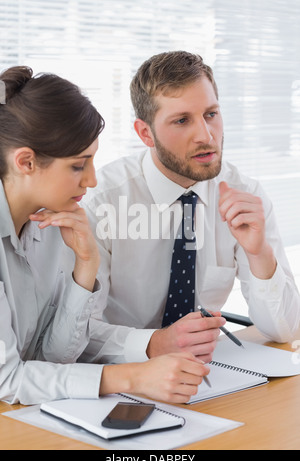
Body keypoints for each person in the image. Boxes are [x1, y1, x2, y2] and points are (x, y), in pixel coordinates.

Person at [0, 65, 209, 406]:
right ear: (26, 162)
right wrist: (134, 376)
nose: (92, 180)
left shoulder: (54, 223)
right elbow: (7, 379)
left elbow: (53, 358)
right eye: (78, 165)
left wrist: (86, 266)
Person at [80, 51, 300, 366]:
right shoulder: (103, 202)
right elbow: (74, 336)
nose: (206, 135)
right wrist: (155, 343)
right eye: (182, 120)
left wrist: (259, 253)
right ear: (145, 133)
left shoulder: (245, 195)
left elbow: (285, 329)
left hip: (204, 377)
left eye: (211, 114)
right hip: (120, 379)